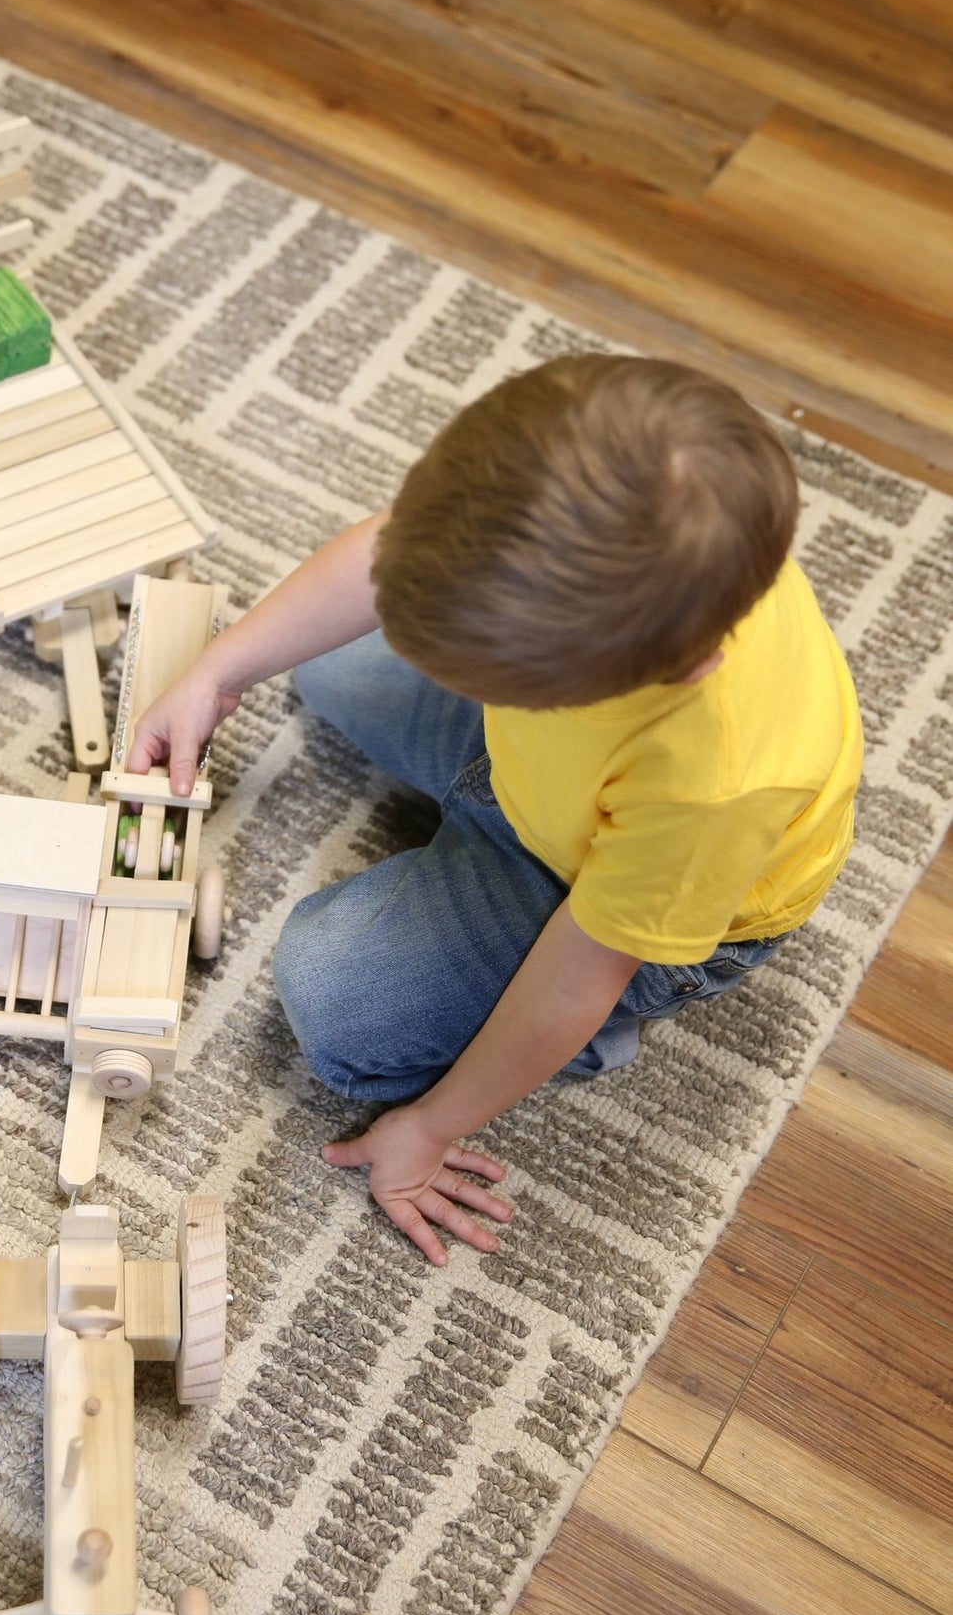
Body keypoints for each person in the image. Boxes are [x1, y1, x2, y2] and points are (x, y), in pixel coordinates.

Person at [126, 355, 863, 1266]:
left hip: (591, 897)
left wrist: (432, 1125)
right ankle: (474, 793)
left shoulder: (715, 780)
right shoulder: (564, 519)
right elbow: (386, 559)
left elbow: (572, 979)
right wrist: (217, 670)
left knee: (337, 1015)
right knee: (318, 659)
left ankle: (601, 1036)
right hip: (528, 766)